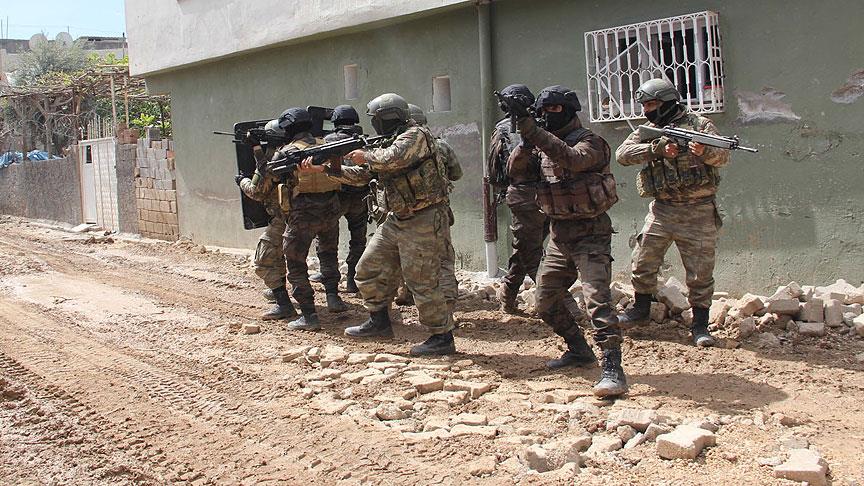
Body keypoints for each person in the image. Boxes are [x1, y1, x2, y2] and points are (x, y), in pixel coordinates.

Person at [298, 93, 455, 355]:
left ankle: (442, 337)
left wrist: (365, 155)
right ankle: (379, 322)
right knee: (368, 268)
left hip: (424, 217)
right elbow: (361, 176)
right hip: (397, 218)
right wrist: (324, 169)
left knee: (422, 280)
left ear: (389, 116)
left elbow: (392, 157)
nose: (374, 124)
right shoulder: (386, 142)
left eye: (376, 118)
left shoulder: (416, 135)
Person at [507, 85, 627, 397]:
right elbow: (516, 172)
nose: (548, 115)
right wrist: (525, 140)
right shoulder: (540, 142)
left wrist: (535, 133)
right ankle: (578, 349)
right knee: (545, 301)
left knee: (597, 301)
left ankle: (613, 367)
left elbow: (572, 159)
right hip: (559, 236)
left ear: (571, 111)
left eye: (555, 109)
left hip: (591, 234)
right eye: (542, 111)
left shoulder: (591, 142)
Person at [615, 78, 729, 347]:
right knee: (642, 260)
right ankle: (641, 309)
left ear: (667, 102)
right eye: (644, 106)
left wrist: (704, 152)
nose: (647, 110)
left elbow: (724, 157)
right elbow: (623, 154)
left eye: (651, 104)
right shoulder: (650, 130)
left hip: (698, 210)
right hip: (662, 209)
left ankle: (700, 325)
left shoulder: (700, 125)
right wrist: (656, 149)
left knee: (700, 273)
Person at [275, 107, 349, 331]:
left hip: (302, 214)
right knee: (328, 254)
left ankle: (309, 316)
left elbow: (271, 176)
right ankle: (333, 298)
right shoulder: (326, 144)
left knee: (296, 263)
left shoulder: (287, 152)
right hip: (330, 209)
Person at [490, 84, 551, 314]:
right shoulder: (543, 124)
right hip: (546, 194)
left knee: (527, 250)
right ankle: (562, 305)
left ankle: (508, 293)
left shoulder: (503, 129)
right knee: (530, 250)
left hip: (526, 195)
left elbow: (496, 172)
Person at [235, 119, 297, 320]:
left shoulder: (274, 158)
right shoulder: (297, 150)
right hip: (309, 214)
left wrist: (242, 181)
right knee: (286, 256)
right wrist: (257, 150)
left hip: (284, 217)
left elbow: (257, 191)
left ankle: (283, 304)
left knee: (264, 259)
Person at [309, 105, 369, 293]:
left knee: (326, 237)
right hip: (361, 196)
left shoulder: (329, 140)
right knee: (358, 240)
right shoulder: (365, 140)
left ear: (335, 121)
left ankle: (327, 274)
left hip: (337, 195)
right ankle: (352, 279)